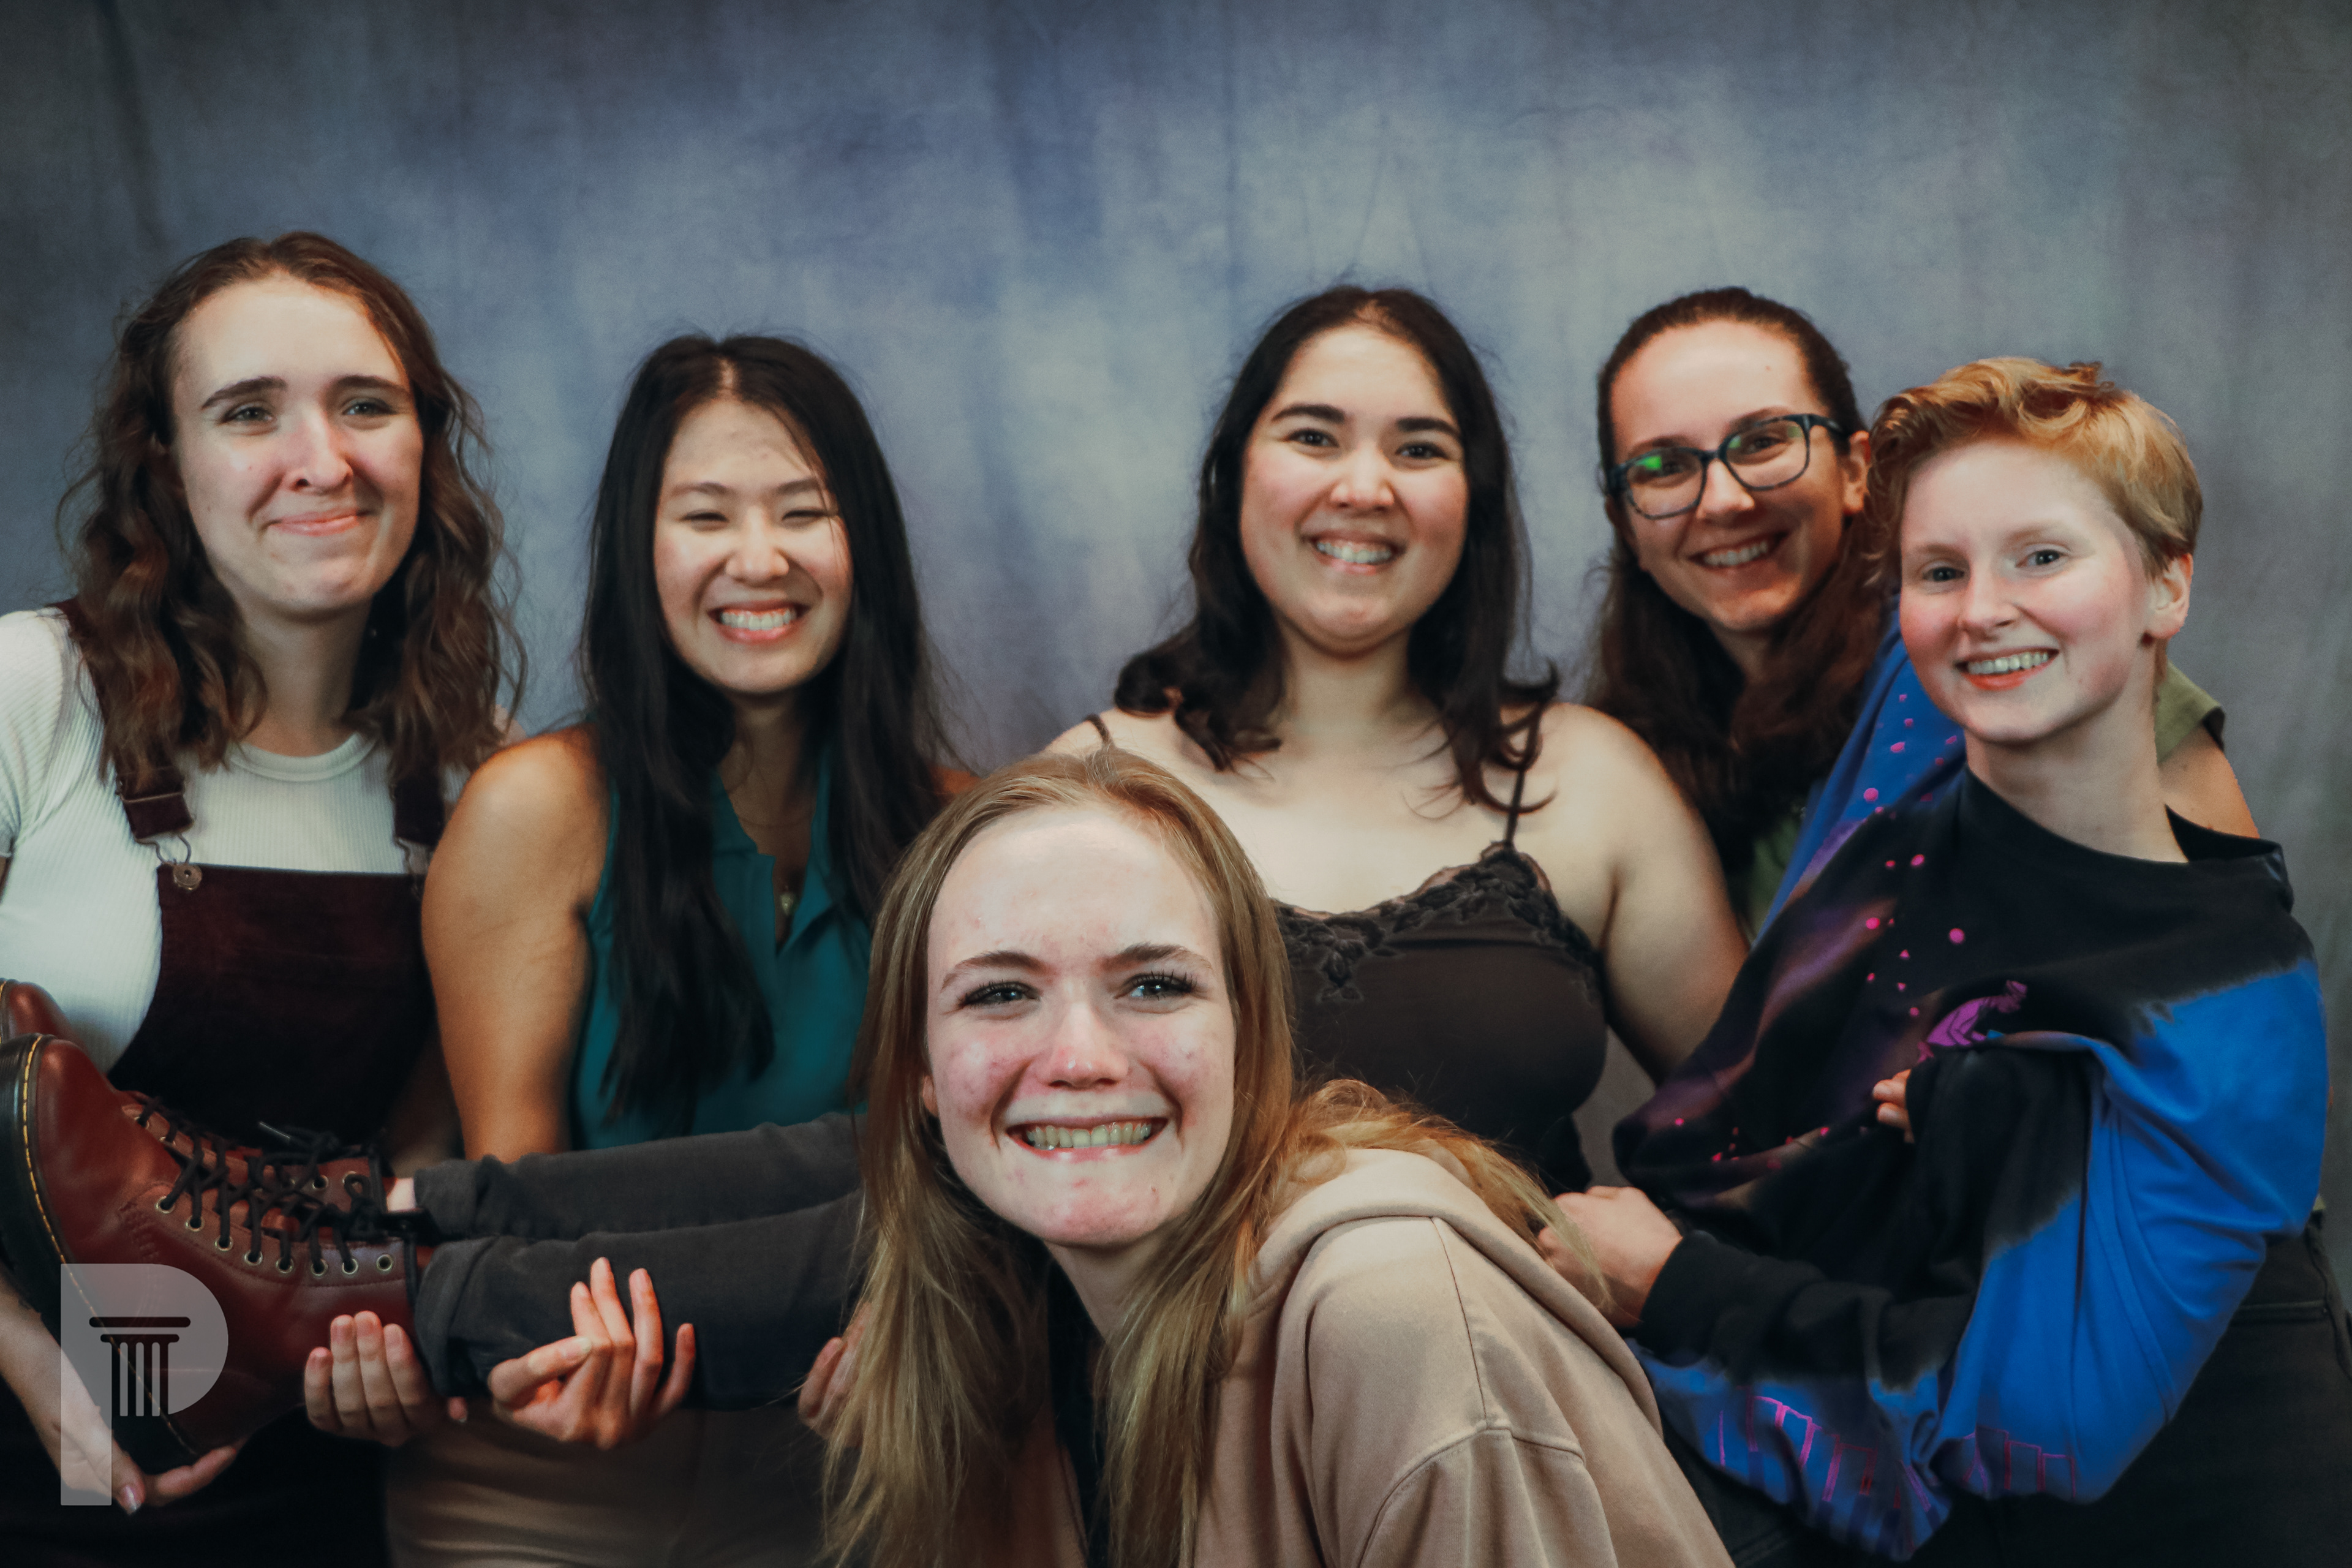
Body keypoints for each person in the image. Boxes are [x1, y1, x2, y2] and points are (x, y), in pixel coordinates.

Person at [11, 748, 1738, 1567]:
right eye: (999, 994)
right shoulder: (1039, 1299)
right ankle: (298, 1266)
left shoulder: (1389, 1305)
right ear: (915, 1060)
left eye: (1154, 984)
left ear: (1258, 1032)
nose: (1079, 1051)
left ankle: (284, 1301)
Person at [1558, 359, 2352, 1564]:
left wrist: (1678, 1287)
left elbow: (2033, 1432)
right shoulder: (1882, 869)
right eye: (1940, 572)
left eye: (2042, 557)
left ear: (2166, 585)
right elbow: (1730, 1150)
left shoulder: (2229, 986)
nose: (1983, 609)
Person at [364, 334, 960, 1564]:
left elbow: (946, 1205)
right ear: (642, 552)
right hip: (551, 1469)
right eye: (705, 515)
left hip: (848, 1464)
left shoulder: (964, 834)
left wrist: (923, 1336)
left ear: (867, 546)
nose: (760, 558)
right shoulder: (542, 807)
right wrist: (565, 1344)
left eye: (805, 511)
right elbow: (524, 1208)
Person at [0, 233, 518, 1564]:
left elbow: (429, 1147)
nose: (321, 459)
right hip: (26, 1448)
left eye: (366, 404)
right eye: (248, 412)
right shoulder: (32, 694)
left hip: (304, 1468)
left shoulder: (479, 775)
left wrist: (392, 1343)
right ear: (165, 467)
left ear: (425, 443)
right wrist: (35, 1361)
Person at [1056, 285, 1747, 1195]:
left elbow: (1766, 1138)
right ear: (1234, 476)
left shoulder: (1596, 781)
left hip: (1526, 1294)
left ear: (1474, 501)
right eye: (1314, 436)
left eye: (1419, 449)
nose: (1363, 488)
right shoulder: (1088, 790)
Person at [1583, 288, 2253, 932]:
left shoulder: (2007, 660)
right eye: (1663, 466)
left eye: (1763, 442)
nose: (1723, 502)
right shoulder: (1623, 773)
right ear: (1624, 521)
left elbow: (2234, 946)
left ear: (1856, 471)